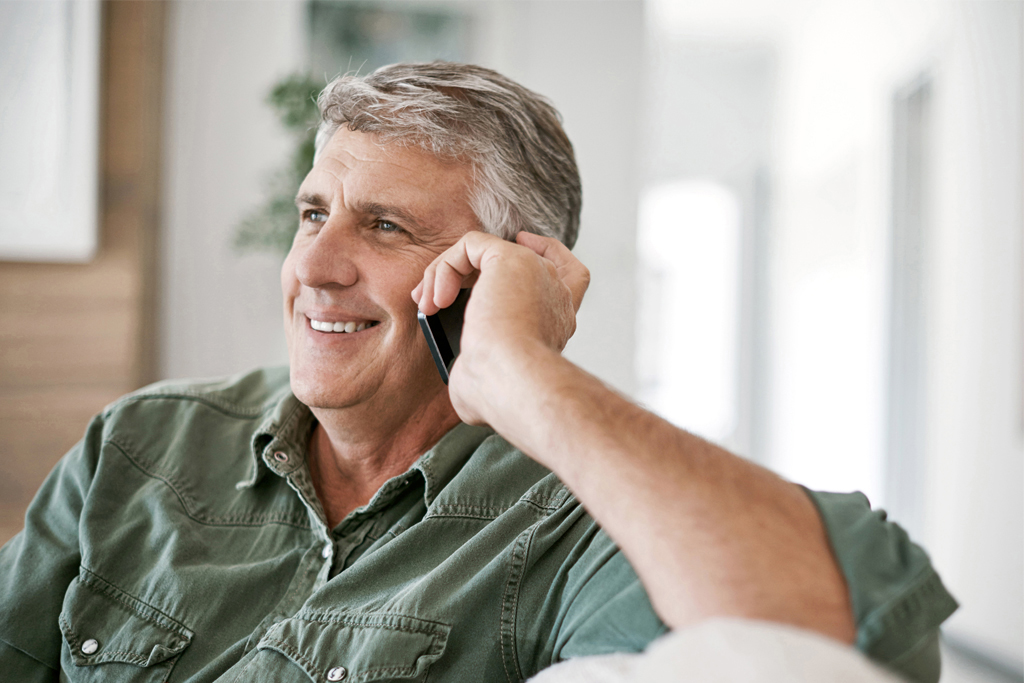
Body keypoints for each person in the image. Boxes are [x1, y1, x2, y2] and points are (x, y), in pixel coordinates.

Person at [0, 62, 956, 683]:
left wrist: (520, 370)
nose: (314, 268)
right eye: (310, 213)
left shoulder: (576, 517)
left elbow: (832, 644)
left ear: (510, 270)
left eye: (384, 226)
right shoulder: (143, 442)